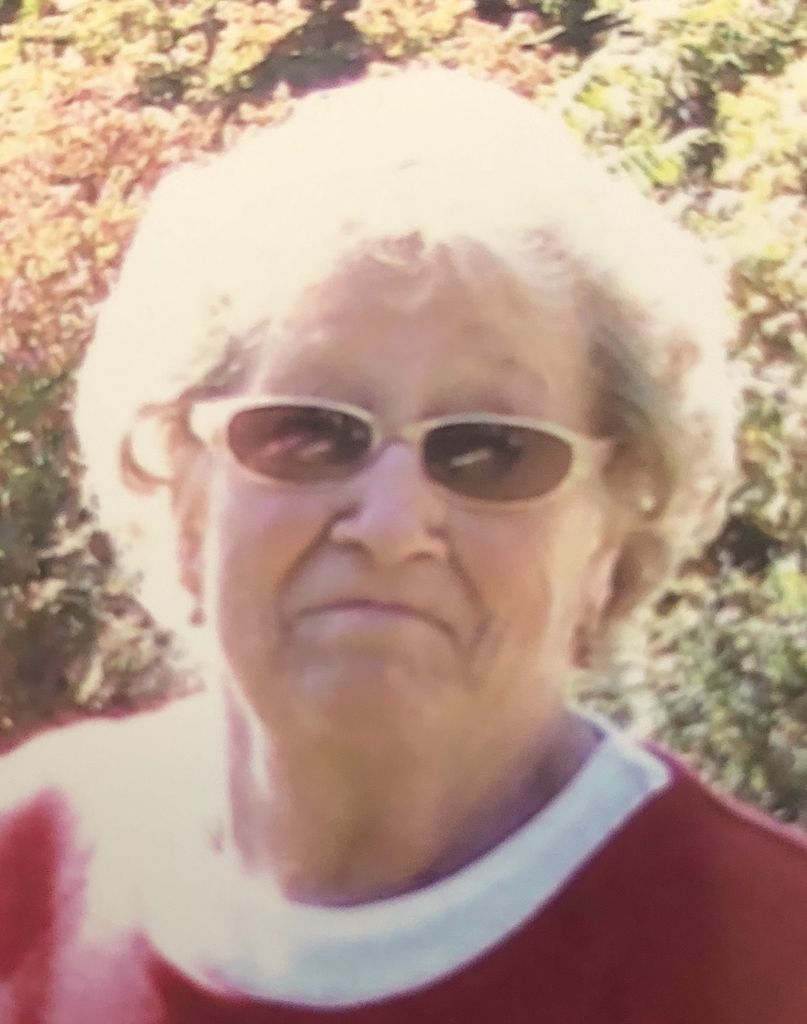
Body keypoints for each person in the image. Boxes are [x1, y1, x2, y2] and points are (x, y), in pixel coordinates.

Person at [1, 67, 805, 1024]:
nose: (388, 526)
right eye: (307, 433)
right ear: (185, 494)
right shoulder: (30, 862)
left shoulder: (767, 955)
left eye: (491, 452)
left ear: (609, 539)